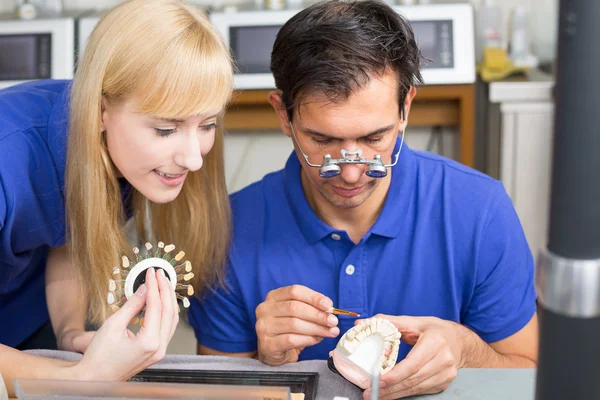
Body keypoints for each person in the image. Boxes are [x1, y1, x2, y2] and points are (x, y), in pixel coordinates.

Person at [189, 0, 538, 398]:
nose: (352, 173)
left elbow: (528, 372)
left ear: (405, 108)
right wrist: (268, 363)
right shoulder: (229, 231)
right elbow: (216, 392)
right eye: (322, 141)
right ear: (284, 116)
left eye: (374, 139)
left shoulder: (480, 211)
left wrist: (465, 349)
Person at [0, 0, 232, 396]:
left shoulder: (123, 157)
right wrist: (78, 379)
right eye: (165, 130)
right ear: (102, 109)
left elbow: (66, 238)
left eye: (207, 124)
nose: (193, 159)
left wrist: (70, 333)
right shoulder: (9, 158)